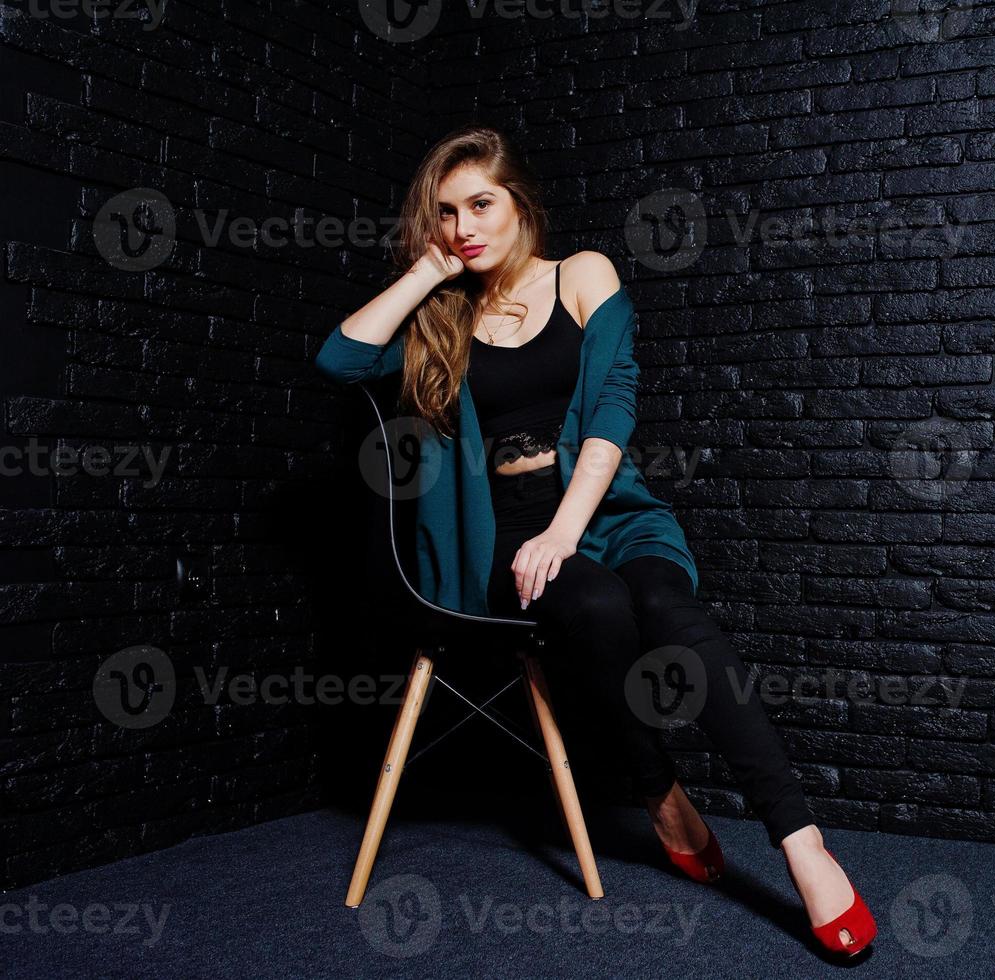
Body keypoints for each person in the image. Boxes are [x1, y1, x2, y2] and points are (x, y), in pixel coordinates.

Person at [313, 124, 876, 958]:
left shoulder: (582, 275)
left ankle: (800, 842)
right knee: (596, 605)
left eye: (480, 205)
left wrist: (567, 528)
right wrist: (429, 269)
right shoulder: (445, 315)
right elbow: (337, 362)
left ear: (520, 206)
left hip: (603, 508)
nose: (464, 225)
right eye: (444, 213)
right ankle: (657, 791)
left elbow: (612, 407)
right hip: (504, 534)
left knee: (661, 600)